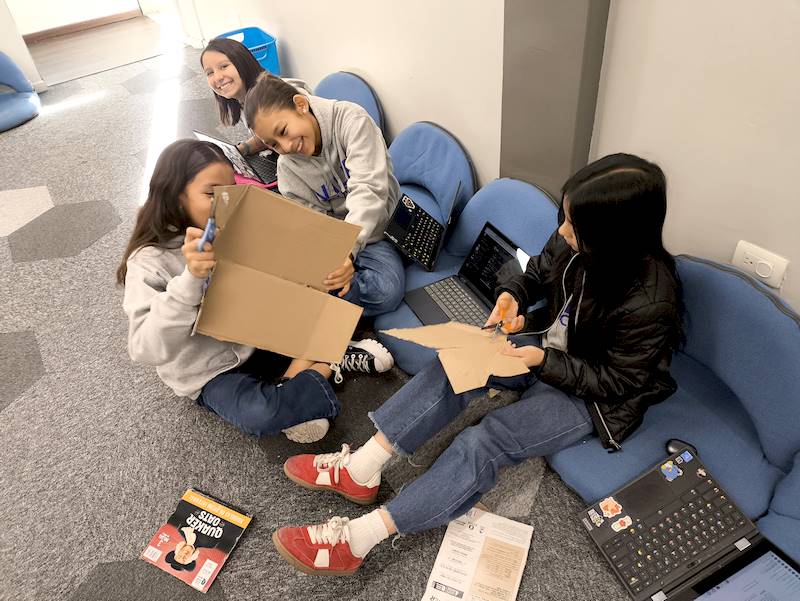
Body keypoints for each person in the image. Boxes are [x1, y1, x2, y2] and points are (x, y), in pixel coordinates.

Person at [270, 153, 684, 575]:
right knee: (457, 363)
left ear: (614, 236)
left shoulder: (652, 300)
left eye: (574, 227)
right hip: (546, 345)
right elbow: (535, 272)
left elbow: (620, 381)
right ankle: (362, 469)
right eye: (565, 218)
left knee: (485, 441)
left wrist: (545, 361)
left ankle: (359, 540)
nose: (562, 231)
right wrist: (513, 295)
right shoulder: (578, 241)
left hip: (597, 397)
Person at [117, 139, 393, 444]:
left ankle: (299, 377)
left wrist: (327, 266)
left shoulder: (235, 224)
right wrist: (190, 281)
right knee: (260, 413)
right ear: (175, 195)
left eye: (230, 191)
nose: (224, 202)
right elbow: (144, 348)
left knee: (341, 287)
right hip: (213, 371)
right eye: (211, 193)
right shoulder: (148, 261)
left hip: (260, 337)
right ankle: (329, 360)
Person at [243, 73, 405, 317]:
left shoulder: (352, 121)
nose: (285, 147)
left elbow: (369, 189)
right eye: (273, 145)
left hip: (376, 231)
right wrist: (332, 262)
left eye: (283, 131)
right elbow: (314, 227)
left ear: (301, 104)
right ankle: (335, 297)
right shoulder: (287, 170)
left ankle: (335, 301)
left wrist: (348, 251)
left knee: (386, 291)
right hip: (338, 243)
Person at [200, 37, 312, 157]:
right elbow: (267, 135)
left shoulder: (273, 95)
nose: (217, 77)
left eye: (224, 66)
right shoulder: (242, 99)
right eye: (210, 73)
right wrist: (237, 152)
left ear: (243, 62)